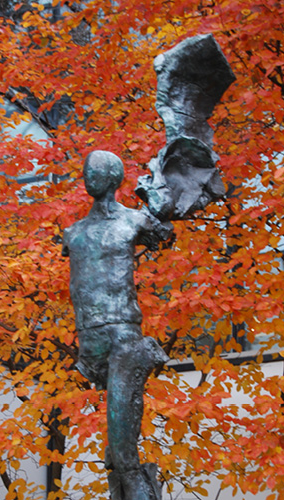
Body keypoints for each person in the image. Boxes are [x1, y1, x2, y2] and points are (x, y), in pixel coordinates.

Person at [62, 150, 172, 500]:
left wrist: (157, 201)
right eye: (85, 171)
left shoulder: (133, 222)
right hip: (89, 344)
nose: (87, 177)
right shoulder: (73, 232)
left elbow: (165, 234)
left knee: (124, 456)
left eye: (95, 171)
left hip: (124, 338)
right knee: (115, 451)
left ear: (113, 177)